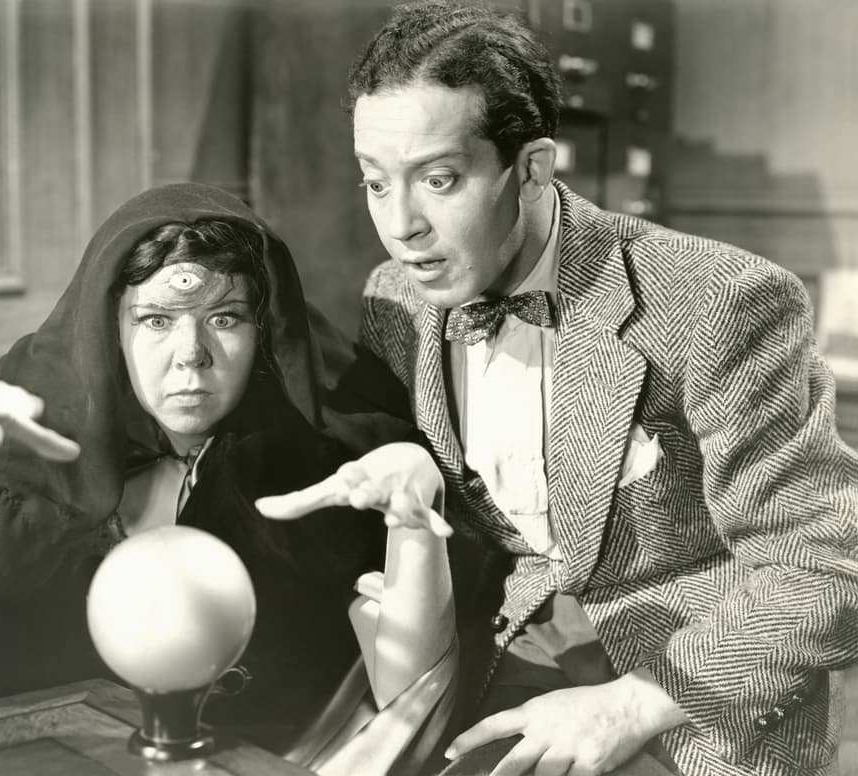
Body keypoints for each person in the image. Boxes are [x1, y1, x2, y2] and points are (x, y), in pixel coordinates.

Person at [258, 2, 858, 775]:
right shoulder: (397, 297)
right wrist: (407, 467)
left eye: (439, 180)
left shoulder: (719, 300)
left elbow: (827, 567)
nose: (401, 224)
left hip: (684, 684)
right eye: (376, 183)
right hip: (499, 654)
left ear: (533, 168)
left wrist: (630, 705)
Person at [0, 182, 455, 760]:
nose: (191, 354)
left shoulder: (324, 466)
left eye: (225, 319)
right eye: (155, 320)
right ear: (111, 329)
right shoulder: (56, 457)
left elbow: (408, 697)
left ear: (264, 332)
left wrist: (416, 526)